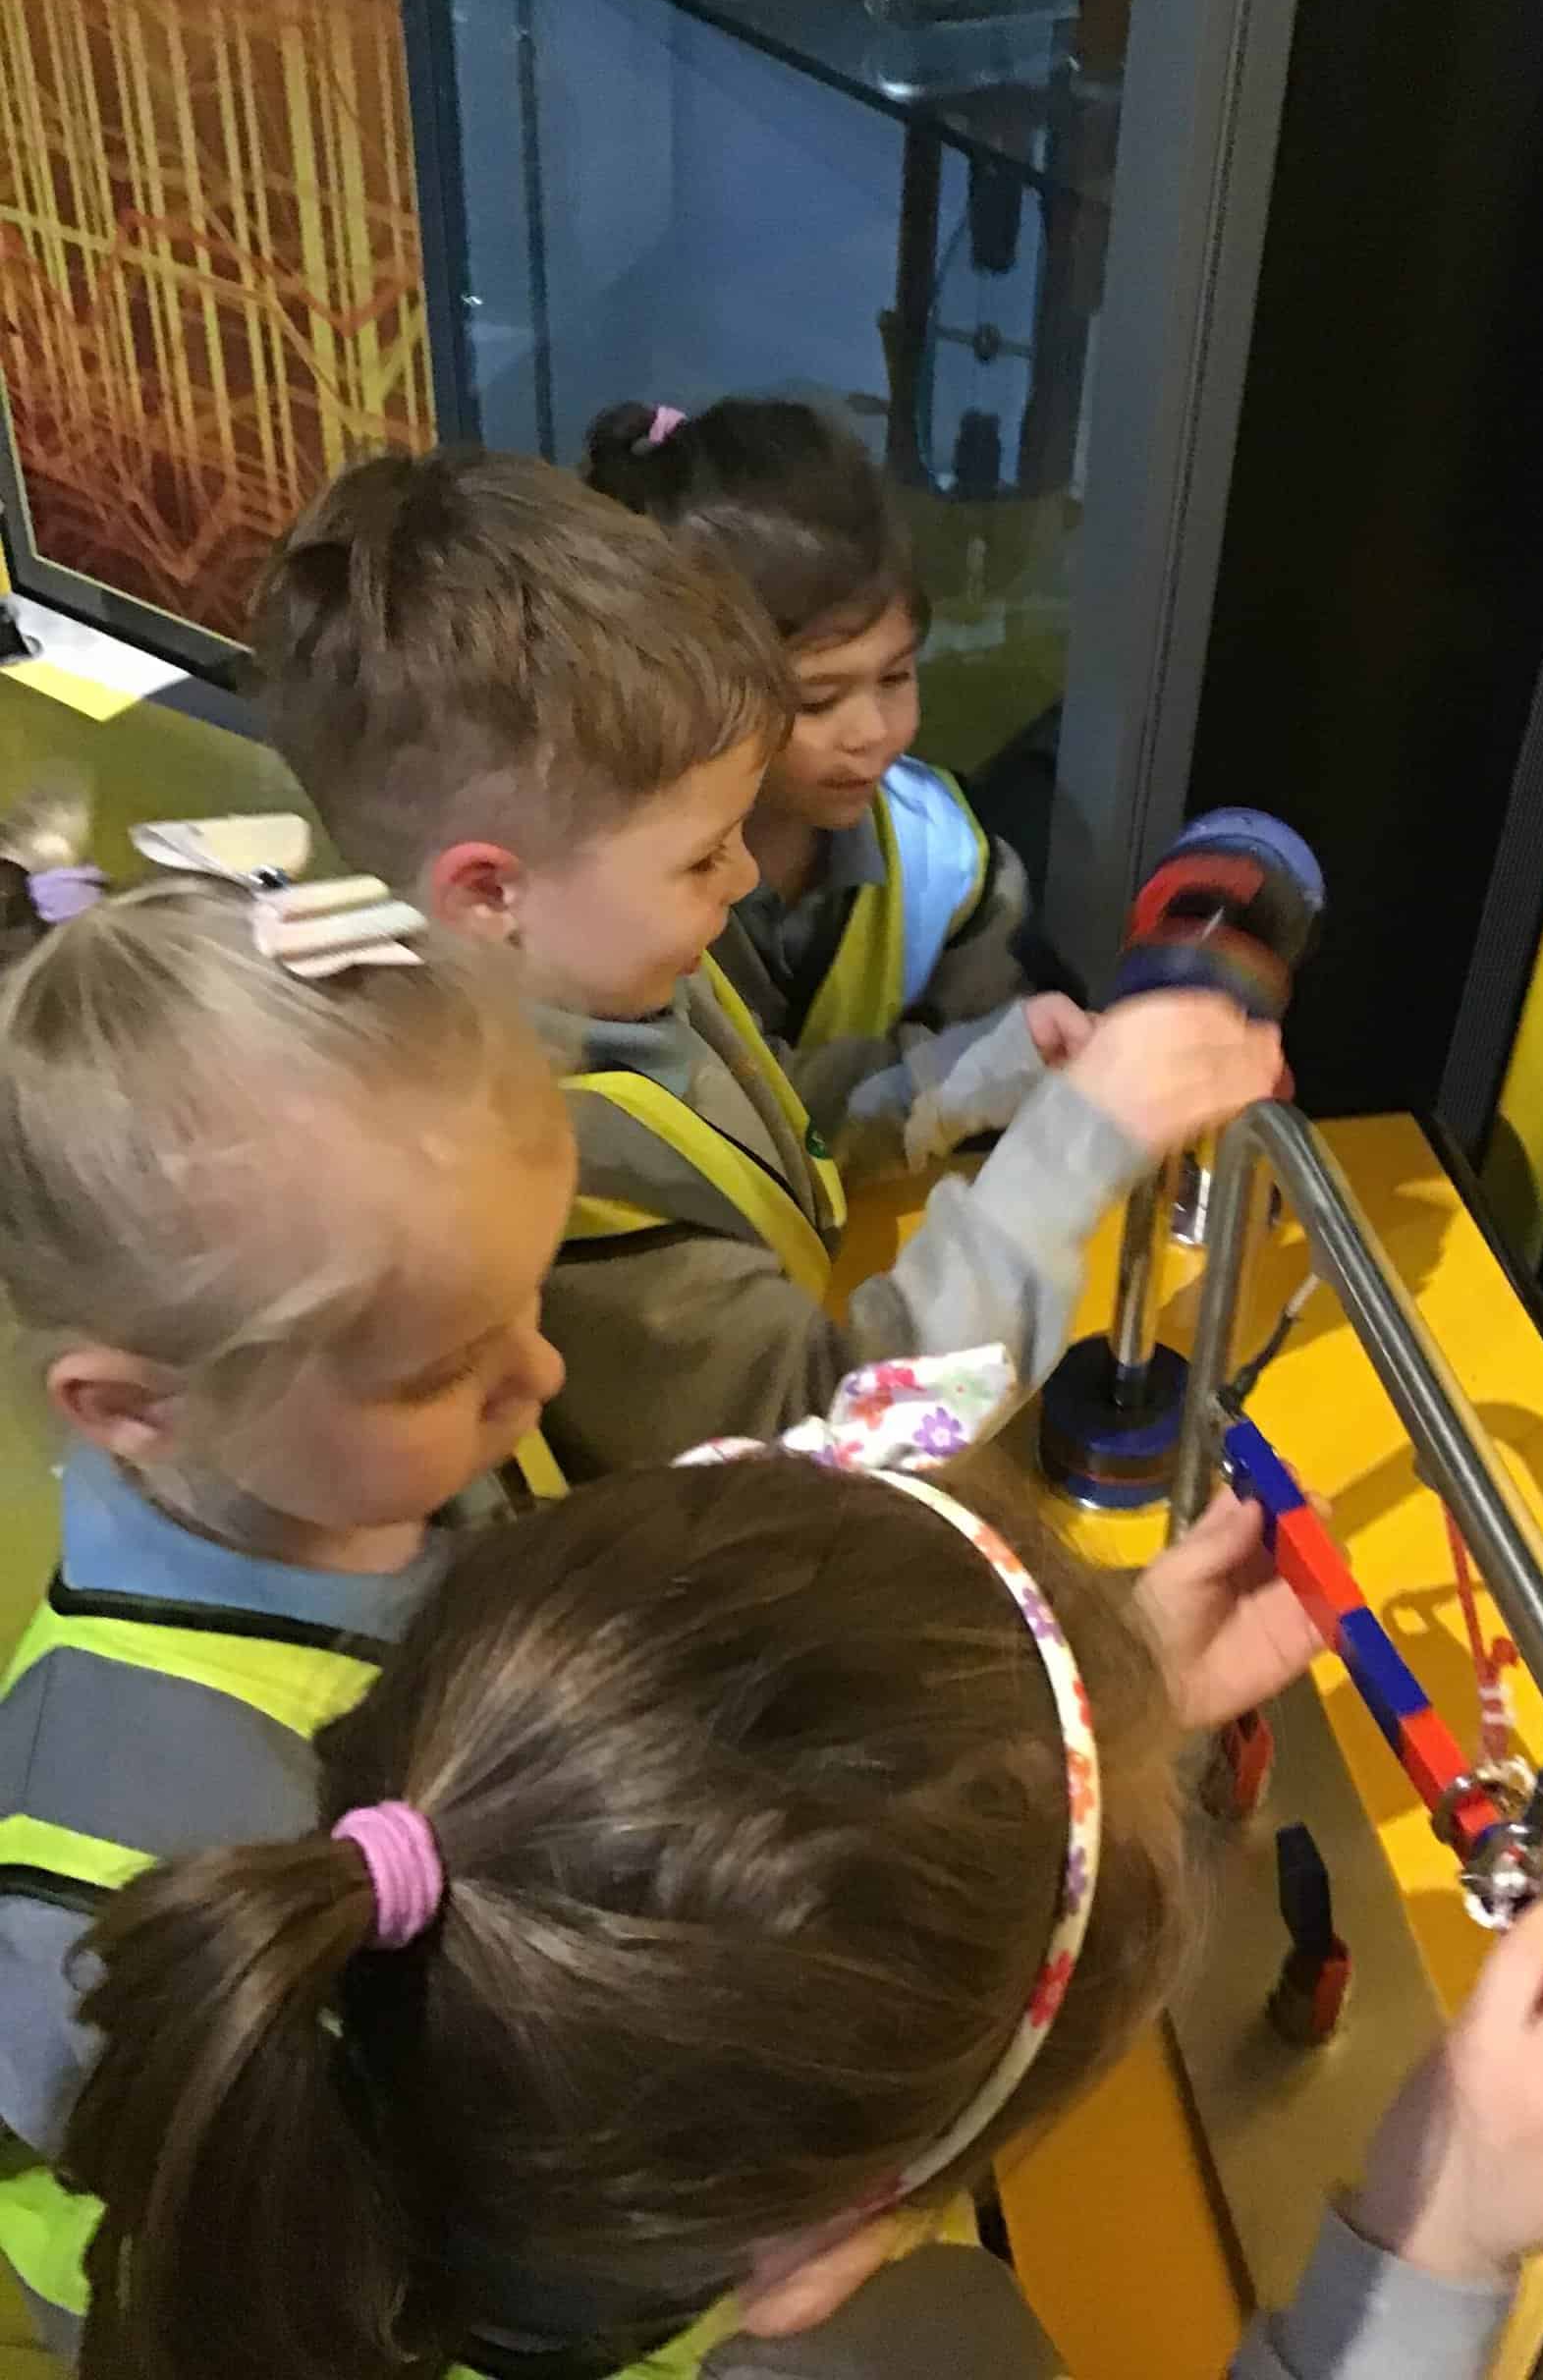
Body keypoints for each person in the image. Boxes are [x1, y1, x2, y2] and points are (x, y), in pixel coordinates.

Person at [25, 1450, 1543, 2380]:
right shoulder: (890, 2355)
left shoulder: (340, 2113)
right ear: (828, 2238)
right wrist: (1435, 2246)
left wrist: (1087, 1715)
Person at [253, 450, 1288, 1468]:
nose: (745, 875)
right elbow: (839, 1440)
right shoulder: (518, 1180)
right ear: (489, 892)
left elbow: (763, 1135)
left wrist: (957, 1079)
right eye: (703, 856)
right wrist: (1075, 1148)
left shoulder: (604, 967)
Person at [0, 797, 575, 2169]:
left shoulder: (380, 1476)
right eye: (440, 1371)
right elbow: (217, 2220)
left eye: (531, 1300)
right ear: (134, 1407)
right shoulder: (97, 1862)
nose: (544, 1376)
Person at [582, 397, 1045, 1110]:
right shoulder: (613, 885)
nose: (873, 731)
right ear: (676, 690)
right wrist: (944, 1083)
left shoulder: (946, 860)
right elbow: (716, 1108)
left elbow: (1001, 1052)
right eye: (817, 701)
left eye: (896, 677)